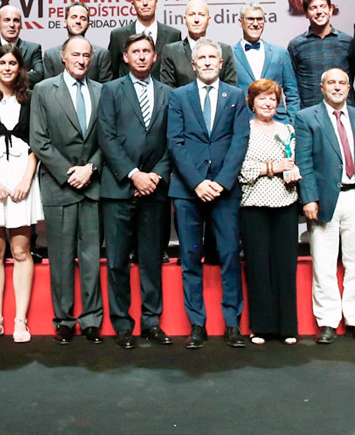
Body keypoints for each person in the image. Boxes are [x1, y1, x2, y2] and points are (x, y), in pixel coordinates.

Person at [167, 38, 252, 349]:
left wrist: (222, 181)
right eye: (200, 57)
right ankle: (197, 324)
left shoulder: (236, 96)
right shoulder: (178, 97)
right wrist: (197, 183)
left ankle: (232, 323)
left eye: (211, 57)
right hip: (189, 192)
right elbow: (175, 142)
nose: (206, 62)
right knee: (190, 257)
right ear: (193, 64)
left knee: (230, 256)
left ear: (220, 63)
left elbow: (240, 141)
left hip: (225, 192)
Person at [97, 33, 173, 349]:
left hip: (154, 190)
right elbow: (107, 137)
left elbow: (174, 140)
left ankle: (151, 321)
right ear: (125, 57)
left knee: (152, 259)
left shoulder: (170, 93)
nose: (141, 56)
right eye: (135, 52)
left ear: (154, 57)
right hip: (119, 189)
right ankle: (123, 325)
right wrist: (133, 174)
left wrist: (155, 175)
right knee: (116, 261)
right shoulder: (111, 90)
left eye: (146, 51)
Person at [295, 68, 355, 345]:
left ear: (348, 88)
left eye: (342, 83)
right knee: (324, 264)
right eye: (331, 83)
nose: (337, 87)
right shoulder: (306, 117)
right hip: (324, 201)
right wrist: (308, 197)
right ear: (321, 88)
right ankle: (328, 322)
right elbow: (304, 161)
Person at [30, 35, 104, 344]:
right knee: (60, 256)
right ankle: (63, 320)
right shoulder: (44, 90)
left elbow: (109, 138)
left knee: (90, 256)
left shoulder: (102, 91)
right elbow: (39, 139)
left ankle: (90, 320)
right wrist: (67, 173)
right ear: (63, 56)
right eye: (76, 54)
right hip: (60, 185)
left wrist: (91, 168)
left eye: (86, 55)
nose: (82, 60)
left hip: (93, 184)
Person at [0, 45, 43, 343]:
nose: (7, 68)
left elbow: (37, 144)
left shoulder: (31, 100)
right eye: (2, 62)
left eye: (12, 63)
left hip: (22, 179)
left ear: (21, 68)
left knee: (20, 251)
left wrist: (26, 181)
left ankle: (20, 321)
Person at [238, 79, 301, 345]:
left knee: (285, 266)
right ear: (251, 102)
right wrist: (272, 167)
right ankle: (261, 327)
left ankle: (287, 327)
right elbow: (242, 169)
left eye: (273, 99)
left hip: (286, 203)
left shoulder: (288, 130)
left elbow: (293, 162)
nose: (267, 103)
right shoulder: (243, 130)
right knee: (258, 266)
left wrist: (292, 170)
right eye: (262, 98)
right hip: (253, 205)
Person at [232, 2, 300, 123]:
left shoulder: (280, 53)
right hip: (243, 123)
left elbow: (292, 93)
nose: (255, 24)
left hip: (279, 122)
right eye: (250, 19)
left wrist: (292, 123)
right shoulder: (230, 54)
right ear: (240, 21)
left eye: (259, 19)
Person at [287, 0, 355, 108]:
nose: (319, 11)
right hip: (309, 114)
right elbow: (292, 87)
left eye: (323, 6)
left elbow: (351, 77)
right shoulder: (296, 46)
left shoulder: (347, 42)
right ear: (306, 13)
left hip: (343, 111)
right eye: (313, 8)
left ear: (330, 10)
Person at [106, 0, 182, 79]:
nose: (145, 3)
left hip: (163, 93)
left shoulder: (173, 35)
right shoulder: (118, 36)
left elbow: (177, 73)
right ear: (133, 5)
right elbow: (112, 74)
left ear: (156, 3)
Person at [160, 0, 237, 88]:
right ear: (185, 19)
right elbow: (168, 90)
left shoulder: (225, 51)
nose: (196, 20)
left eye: (201, 15)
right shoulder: (171, 52)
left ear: (208, 20)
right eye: (192, 15)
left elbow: (232, 89)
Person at [0, 5, 43, 91]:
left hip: (25, 101)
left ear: (21, 25)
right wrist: (21, 75)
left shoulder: (33, 49)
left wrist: (2, 76)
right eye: (7, 20)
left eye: (16, 20)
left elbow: (38, 76)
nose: (11, 25)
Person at [42, 2, 112, 83]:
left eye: (83, 18)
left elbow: (106, 90)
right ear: (65, 23)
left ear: (88, 25)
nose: (78, 21)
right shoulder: (51, 55)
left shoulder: (102, 55)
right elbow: (48, 89)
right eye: (73, 17)